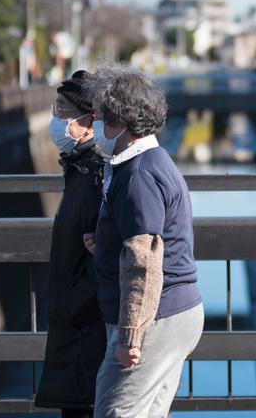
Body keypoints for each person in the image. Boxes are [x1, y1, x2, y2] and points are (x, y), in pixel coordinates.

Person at [86, 68, 204, 417]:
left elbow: (144, 260)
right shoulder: (155, 161)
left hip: (156, 317)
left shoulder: (138, 174)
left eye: (98, 116)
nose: (93, 124)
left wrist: (130, 334)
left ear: (121, 120)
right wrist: (105, 241)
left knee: (115, 412)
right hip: (177, 312)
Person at [35, 70, 107, 418]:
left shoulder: (94, 176)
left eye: (62, 111)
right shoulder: (80, 170)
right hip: (77, 325)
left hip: (85, 329)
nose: (55, 118)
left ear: (89, 122)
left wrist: (70, 304)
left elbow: (106, 255)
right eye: (56, 108)